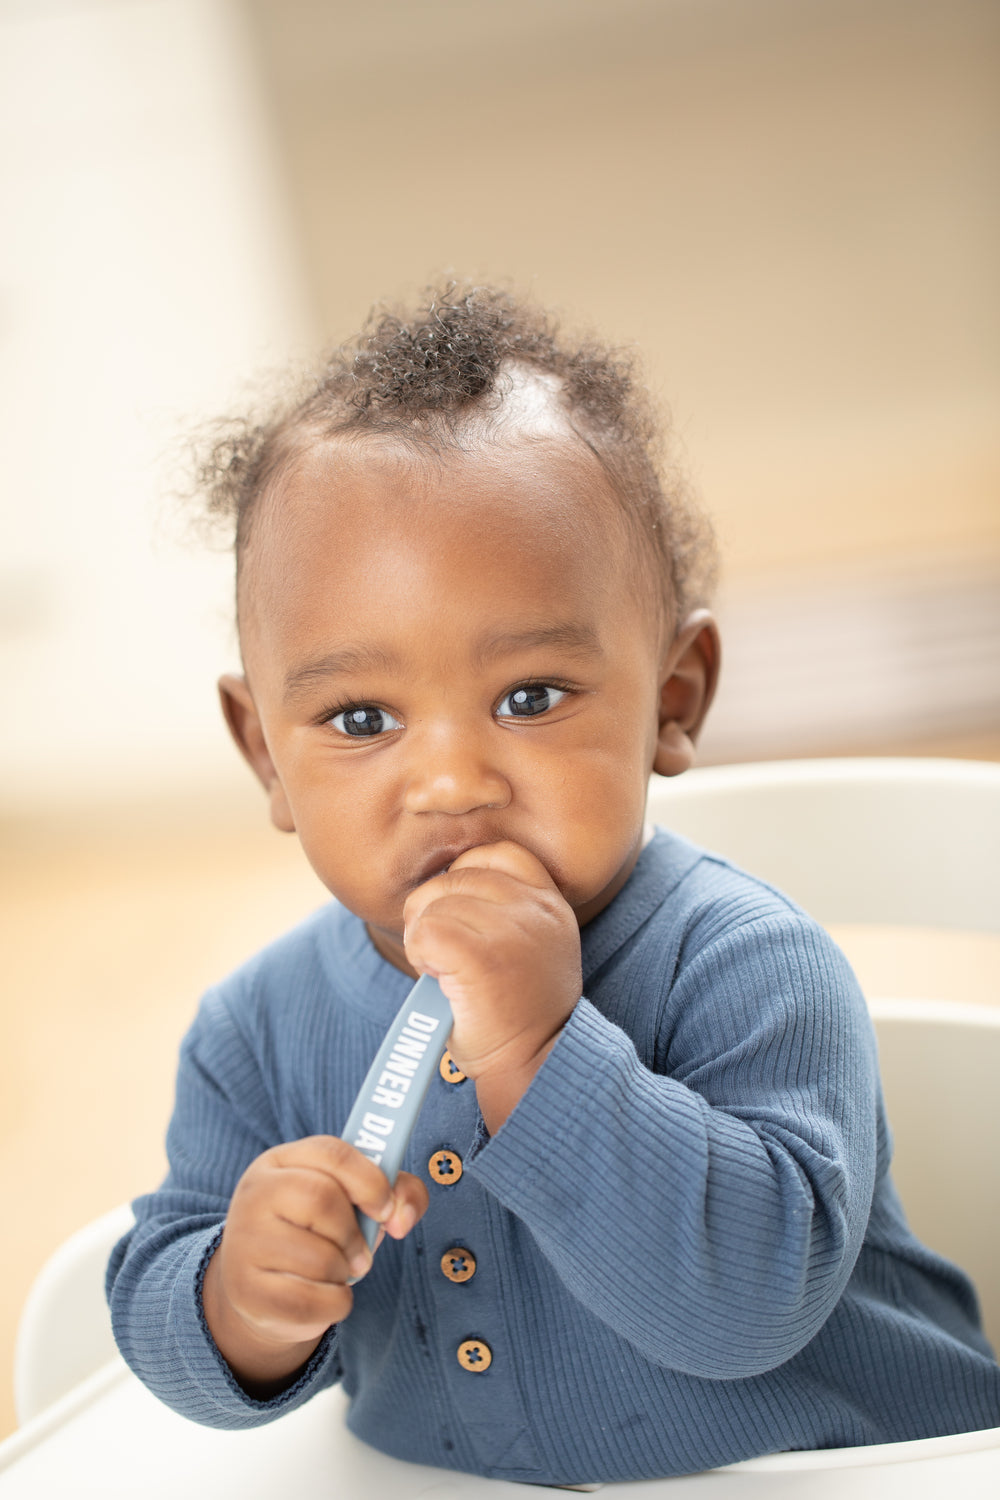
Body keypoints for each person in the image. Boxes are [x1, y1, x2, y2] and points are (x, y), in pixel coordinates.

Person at [106, 283, 1000, 1485]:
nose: (451, 781)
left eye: (528, 698)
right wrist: (238, 1302)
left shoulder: (749, 967)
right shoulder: (251, 1033)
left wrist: (539, 1046)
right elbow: (161, 1310)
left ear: (673, 699)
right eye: (361, 717)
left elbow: (744, 1306)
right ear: (265, 751)